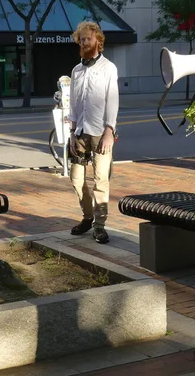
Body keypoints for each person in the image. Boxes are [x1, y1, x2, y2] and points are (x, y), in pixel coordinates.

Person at [68, 21, 119, 244]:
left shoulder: (108, 68)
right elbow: (74, 104)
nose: (83, 42)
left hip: (101, 131)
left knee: (101, 180)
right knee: (76, 178)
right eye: (80, 39)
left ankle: (100, 225)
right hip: (80, 131)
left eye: (87, 38)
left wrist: (110, 131)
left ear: (98, 40)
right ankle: (88, 216)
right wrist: (71, 132)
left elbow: (113, 100)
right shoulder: (76, 71)